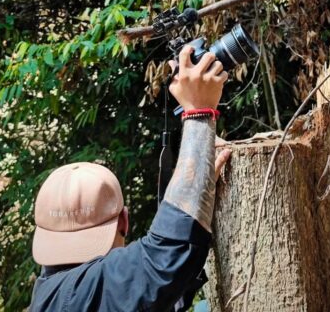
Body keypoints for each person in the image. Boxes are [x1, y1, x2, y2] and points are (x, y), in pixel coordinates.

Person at [29, 45, 232, 311]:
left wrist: (197, 180)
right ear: (123, 221)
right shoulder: (84, 292)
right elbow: (166, 256)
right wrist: (198, 111)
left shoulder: (48, 294)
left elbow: (153, 294)